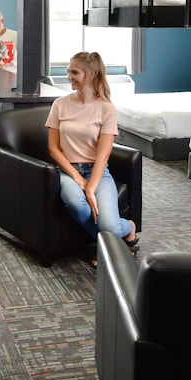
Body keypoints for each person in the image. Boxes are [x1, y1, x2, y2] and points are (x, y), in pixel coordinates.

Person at [46, 51, 138, 260]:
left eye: (74, 72)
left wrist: (90, 188)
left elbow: (103, 156)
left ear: (92, 74)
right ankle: (109, 244)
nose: (69, 76)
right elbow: (53, 149)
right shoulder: (59, 104)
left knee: (110, 225)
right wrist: (78, 179)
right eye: (68, 71)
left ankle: (127, 227)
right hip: (68, 171)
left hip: (98, 171)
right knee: (76, 203)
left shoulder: (106, 109)